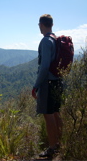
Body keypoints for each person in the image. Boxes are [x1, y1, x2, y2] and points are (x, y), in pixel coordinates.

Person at [32, 14, 63, 158]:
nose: (39, 27)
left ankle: (52, 148)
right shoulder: (56, 40)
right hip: (58, 81)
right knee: (56, 112)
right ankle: (60, 143)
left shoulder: (45, 41)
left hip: (48, 83)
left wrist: (36, 85)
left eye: (39, 24)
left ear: (42, 24)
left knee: (48, 115)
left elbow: (44, 67)